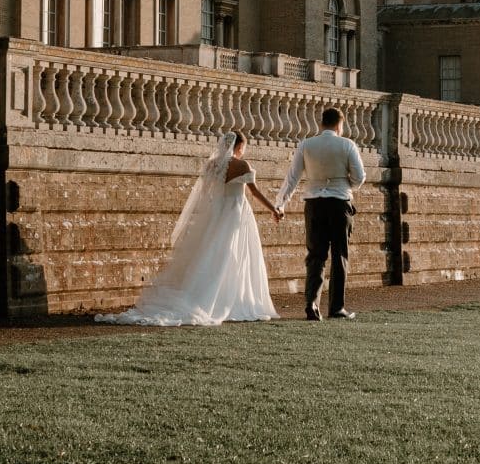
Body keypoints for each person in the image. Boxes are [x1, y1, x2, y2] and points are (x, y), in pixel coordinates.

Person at [98, 131, 283, 327]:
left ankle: (210, 295)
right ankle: (231, 298)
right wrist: (274, 210)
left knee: (214, 255)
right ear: (239, 146)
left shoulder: (212, 165)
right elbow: (254, 192)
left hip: (218, 214)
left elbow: (204, 193)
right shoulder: (242, 165)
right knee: (236, 256)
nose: (243, 152)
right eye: (243, 148)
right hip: (236, 213)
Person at [277, 106, 366, 321]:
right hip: (339, 203)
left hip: (314, 203)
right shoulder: (347, 145)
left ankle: (312, 304)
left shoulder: (306, 145)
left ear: (321, 123)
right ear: (339, 124)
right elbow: (360, 177)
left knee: (315, 255)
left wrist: (280, 204)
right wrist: (346, 184)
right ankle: (336, 307)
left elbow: (292, 178)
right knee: (339, 256)